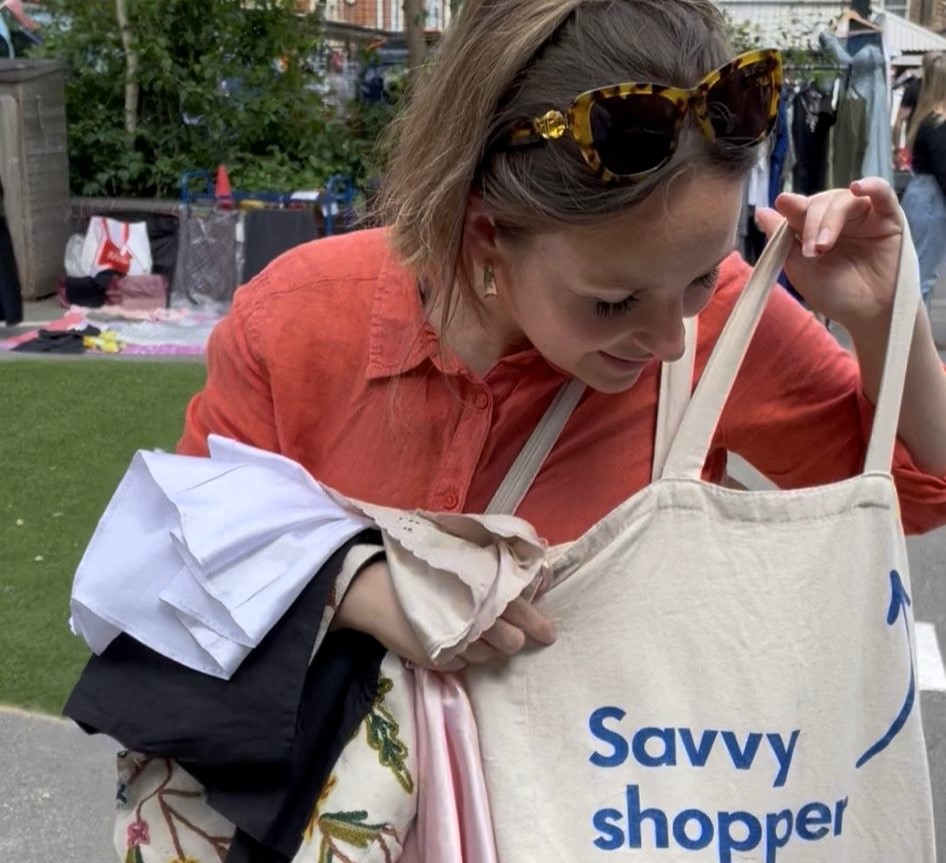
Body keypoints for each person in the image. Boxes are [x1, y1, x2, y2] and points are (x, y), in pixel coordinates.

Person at [178, 0, 946, 670]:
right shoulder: (300, 317)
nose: (671, 339)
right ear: (485, 232)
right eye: (614, 302)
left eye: (701, 275)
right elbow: (190, 545)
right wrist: (356, 589)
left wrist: (885, 318)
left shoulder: (724, 323)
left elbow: (913, 496)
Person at [902, 54, 946, 317]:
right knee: (922, 279)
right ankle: (911, 338)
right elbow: (943, 170)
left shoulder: (925, 120)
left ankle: (911, 336)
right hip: (931, 198)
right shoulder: (937, 124)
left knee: (919, 274)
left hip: (921, 193)